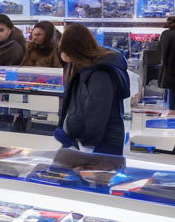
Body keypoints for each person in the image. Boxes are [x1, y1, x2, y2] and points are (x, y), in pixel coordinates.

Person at [54, 23, 131, 155]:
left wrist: (74, 137)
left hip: (101, 145)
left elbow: (96, 115)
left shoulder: (99, 74)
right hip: (92, 144)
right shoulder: (85, 69)